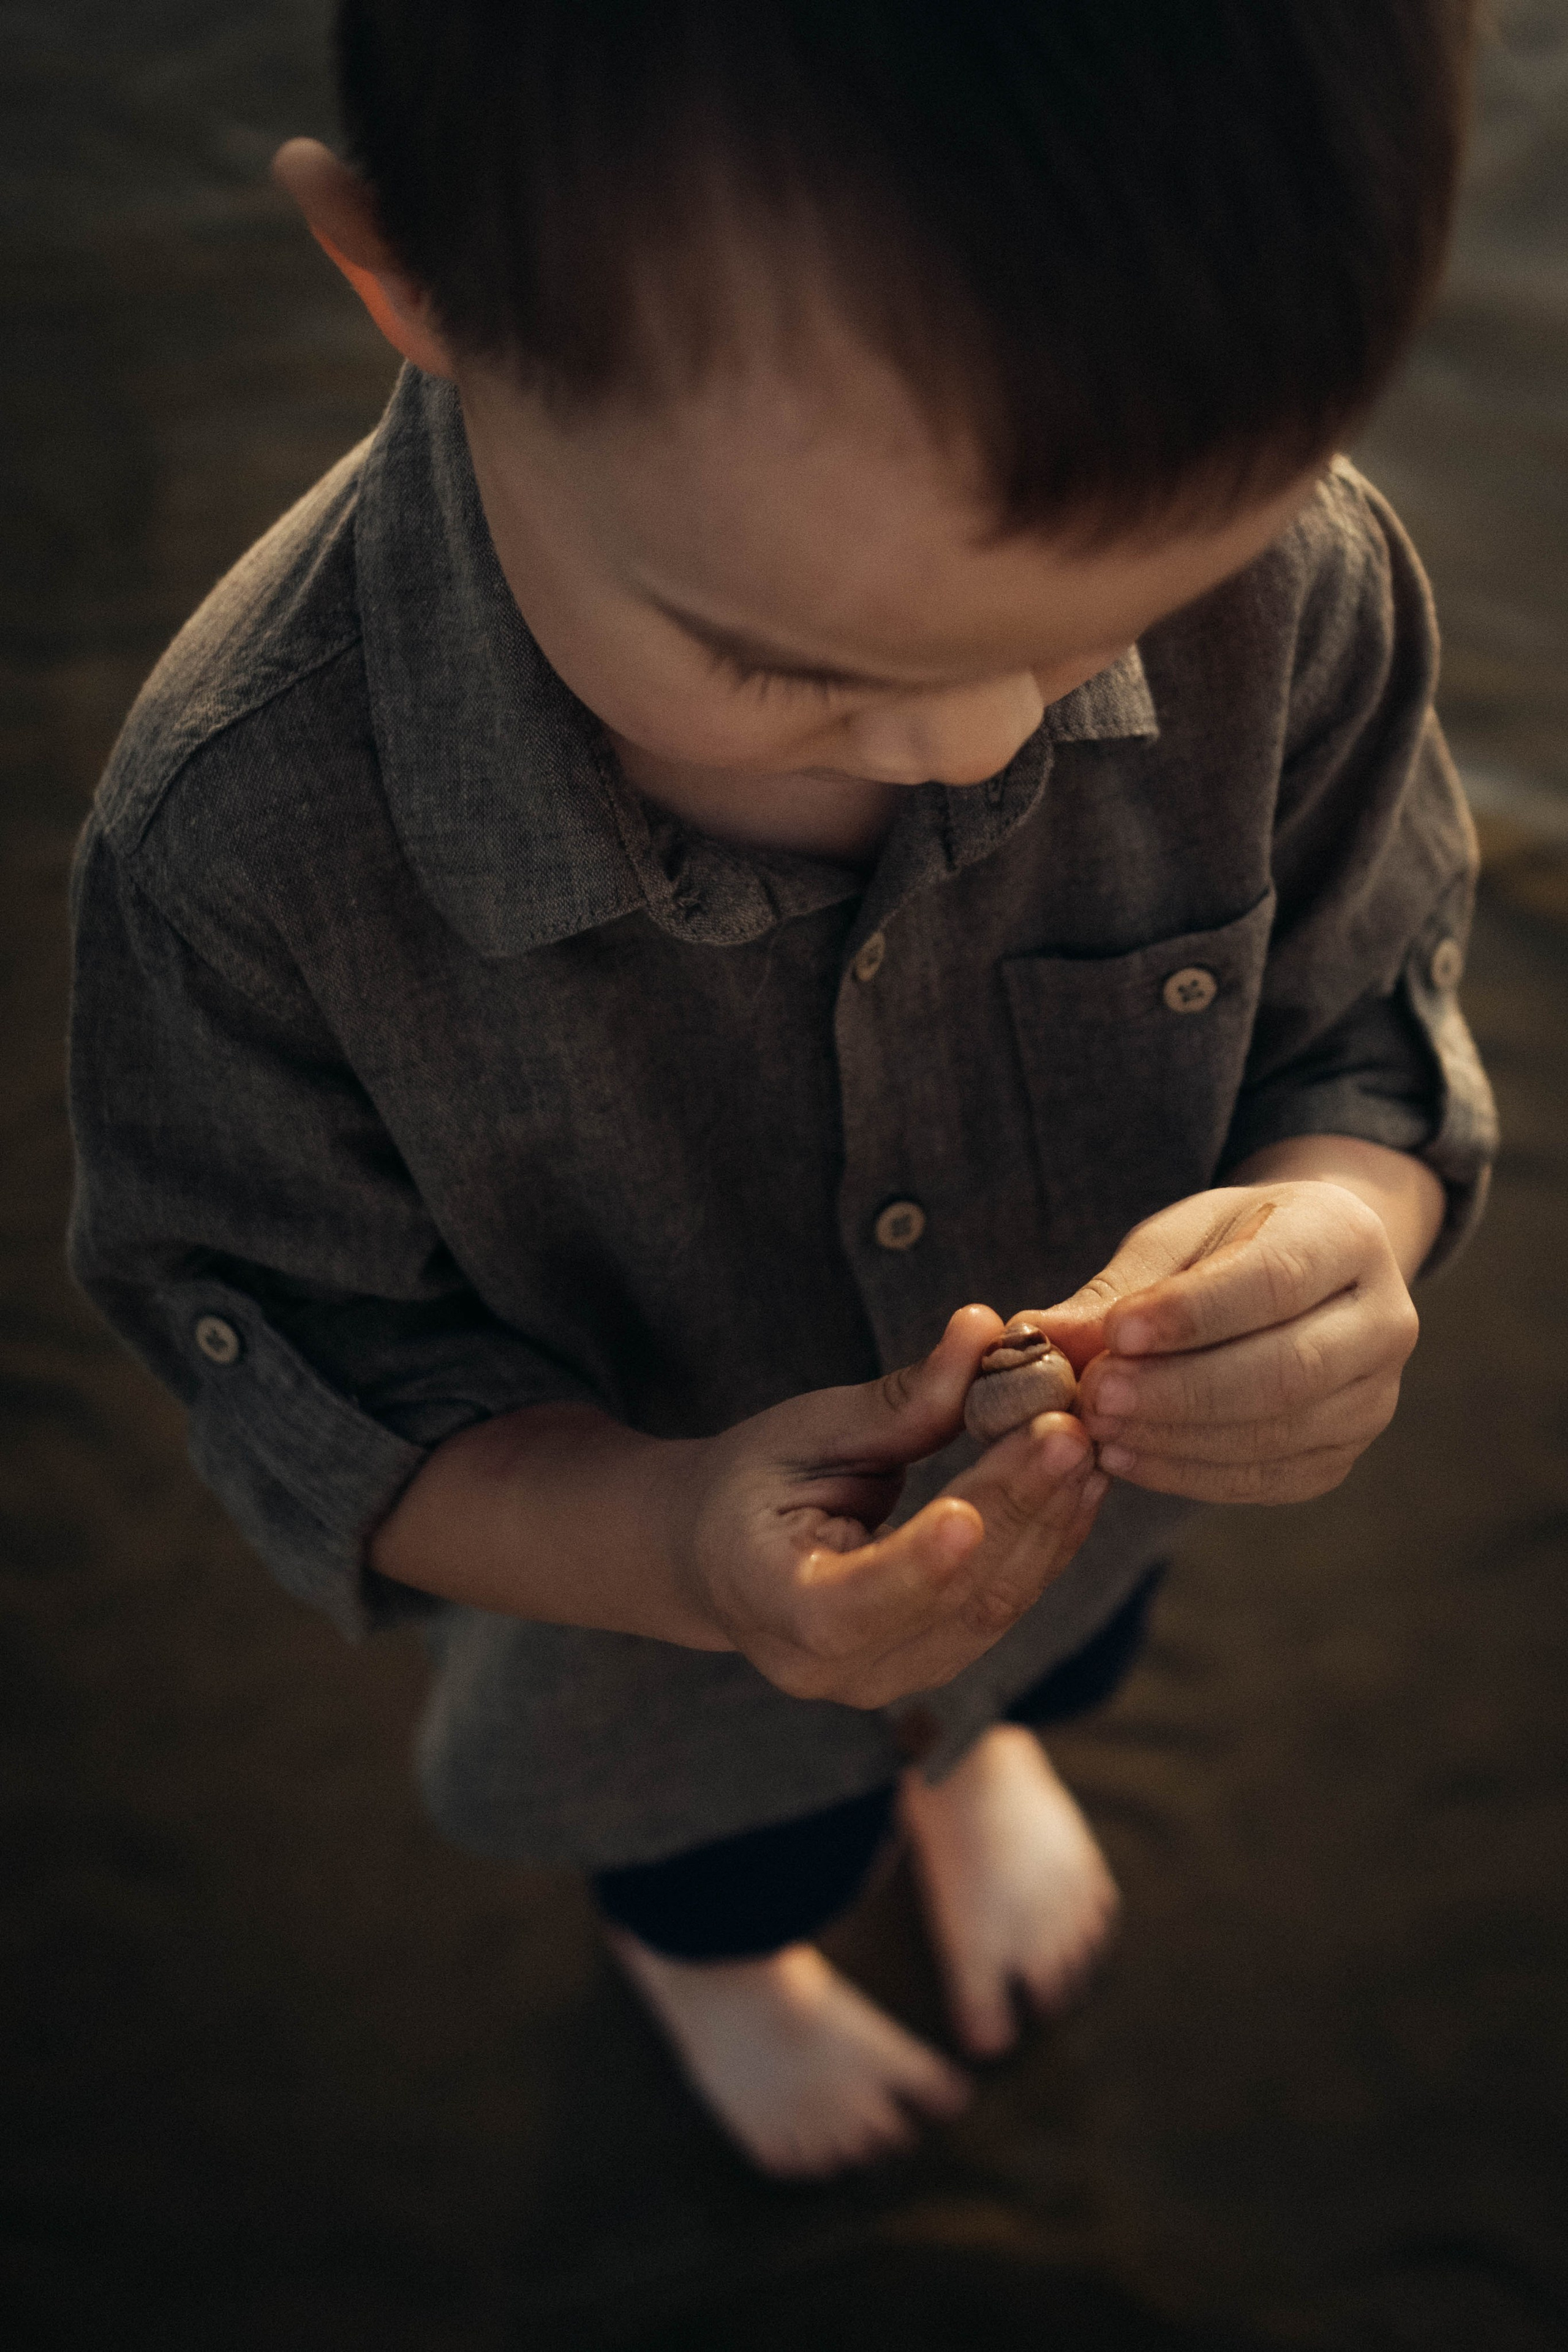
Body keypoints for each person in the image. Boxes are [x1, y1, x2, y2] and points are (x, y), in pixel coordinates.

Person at [67, 0, 1497, 2177]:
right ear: (414, 276)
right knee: (719, 1863)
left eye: (1133, 607)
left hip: (1093, 1530)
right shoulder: (243, 848)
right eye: (796, 664)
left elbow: (1362, 1013)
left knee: (1046, 1669)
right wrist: (672, 1545)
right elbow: (309, 1364)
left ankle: (969, 1749)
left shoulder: (1301, 581)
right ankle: (714, 1978)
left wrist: (1344, 1226)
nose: (981, 743)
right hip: (650, 1662)